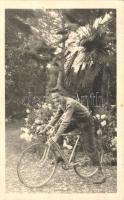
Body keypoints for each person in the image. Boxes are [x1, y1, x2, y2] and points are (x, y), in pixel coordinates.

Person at [40, 88, 106, 184]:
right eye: (53, 98)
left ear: (62, 95)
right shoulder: (61, 103)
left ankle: (101, 173)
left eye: (57, 97)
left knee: (90, 150)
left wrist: (57, 136)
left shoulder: (70, 103)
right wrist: (46, 128)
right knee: (56, 129)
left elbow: (66, 121)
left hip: (87, 123)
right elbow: (56, 117)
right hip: (77, 122)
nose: (55, 100)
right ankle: (60, 156)